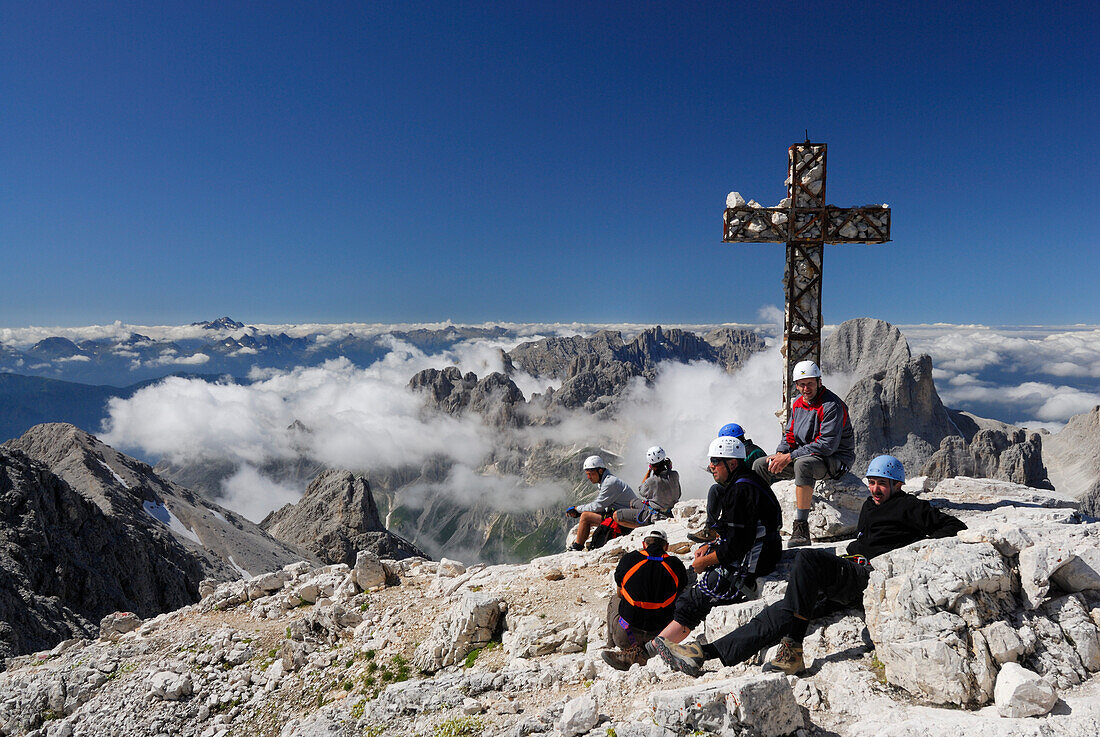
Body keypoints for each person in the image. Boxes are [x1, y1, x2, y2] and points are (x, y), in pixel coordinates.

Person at [650, 455, 966, 677]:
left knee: (808, 558)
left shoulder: (911, 507)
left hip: (868, 577)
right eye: (871, 482)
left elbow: (952, 526)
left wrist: (907, 557)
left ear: (898, 484)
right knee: (782, 610)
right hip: (852, 571)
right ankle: (705, 654)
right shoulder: (871, 505)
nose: (874, 489)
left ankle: (793, 650)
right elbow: (866, 538)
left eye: (882, 483)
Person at [647, 436, 782, 650]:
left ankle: (651, 652)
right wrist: (709, 547)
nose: (711, 467)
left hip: (750, 566)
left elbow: (737, 547)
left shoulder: (740, 491)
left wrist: (705, 561)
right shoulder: (748, 481)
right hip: (764, 553)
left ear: (733, 463)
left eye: (716, 461)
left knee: (692, 601)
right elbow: (737, 532)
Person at [753, 360, 855, 548]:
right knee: (761, 464)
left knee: (803, 465)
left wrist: (790, 457)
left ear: (819, 382)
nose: (806, 388)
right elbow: (790, 435)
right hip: (808, 455)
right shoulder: (799, 404)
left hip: (835, 460)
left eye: (810, 383)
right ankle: (761, 520)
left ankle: (801, 527)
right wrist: (780, 453)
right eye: (802, 384)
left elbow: (827, 446)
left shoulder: (832, 405)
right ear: (796, 385)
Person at [601, 528, 688, 670]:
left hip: (626, 635)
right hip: (660, 635)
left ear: (644, 544)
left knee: (614, 600)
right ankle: (649, 649)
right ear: (666, 546)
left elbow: (619, 593)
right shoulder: (675, 565)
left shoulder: (630, 559)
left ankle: (611, 643)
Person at [688, 424, 766, 543]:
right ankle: (711, 528)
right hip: (743, 488)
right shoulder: (750, 450)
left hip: (749, 492)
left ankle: (712, 529)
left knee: (716, 490)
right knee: (717, 489)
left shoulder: (751, 452)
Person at [566, 455, 637, 551]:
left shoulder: (609, 483)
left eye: (590, 474)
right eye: (587, 474)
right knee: (586, 515)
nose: (588, 477)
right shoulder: (606, 481)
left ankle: (577, 547)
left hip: (624, 520)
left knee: (585, 517)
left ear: (600, 471)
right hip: (622, 515)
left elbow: (597, 506)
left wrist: (577, 509)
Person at [613, 446, 682, 531]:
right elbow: (678, 494)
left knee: (617, 515)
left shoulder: (651, 481)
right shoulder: (675, 474)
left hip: (656, 515)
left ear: (653, 466)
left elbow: (641, 490)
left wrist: (649, 471)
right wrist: (669, 468)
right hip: (670, 511)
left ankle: (641, 528)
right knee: (634, 502)